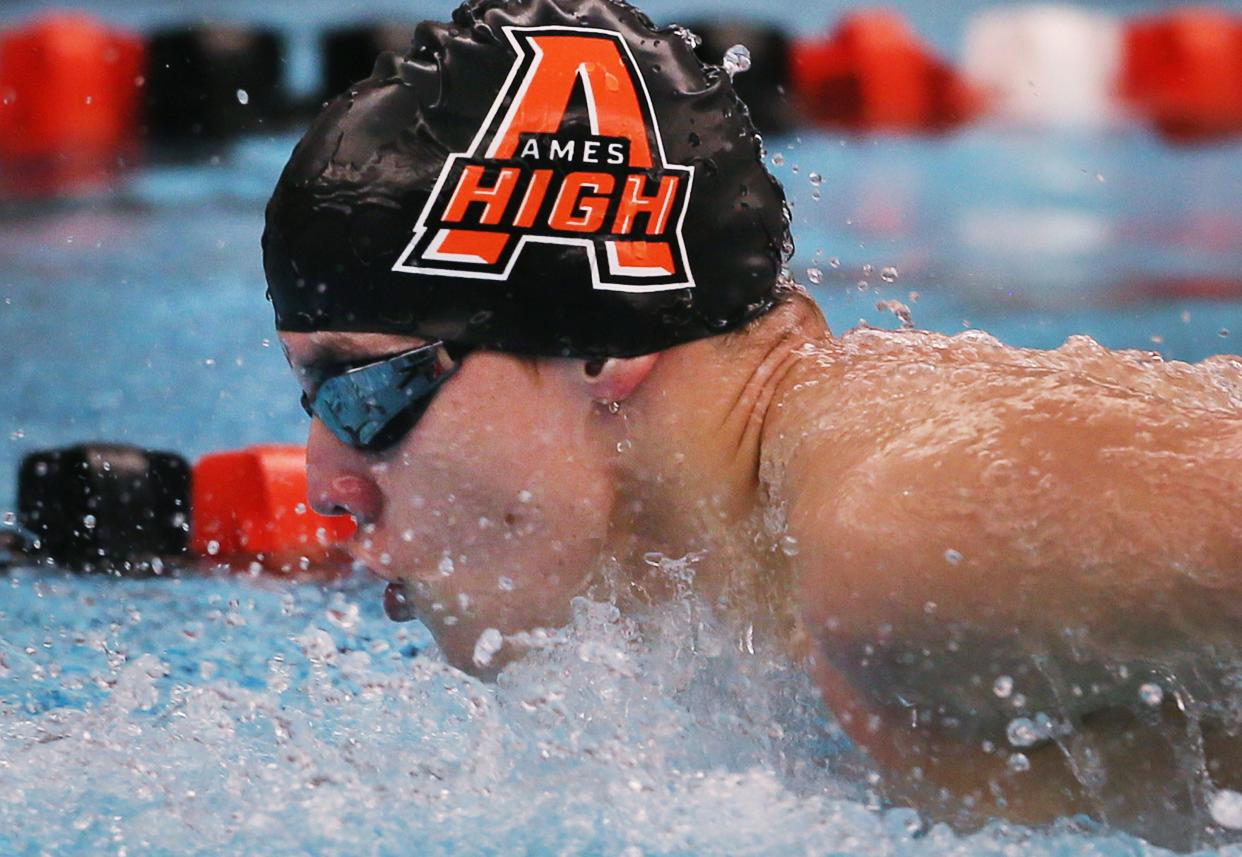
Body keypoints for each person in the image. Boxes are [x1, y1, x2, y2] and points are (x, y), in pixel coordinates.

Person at [263, 0, 1242, 845]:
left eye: (363, 391)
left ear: (600, 334)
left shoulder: (911, 537)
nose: (323, 478)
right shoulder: (739, 583)